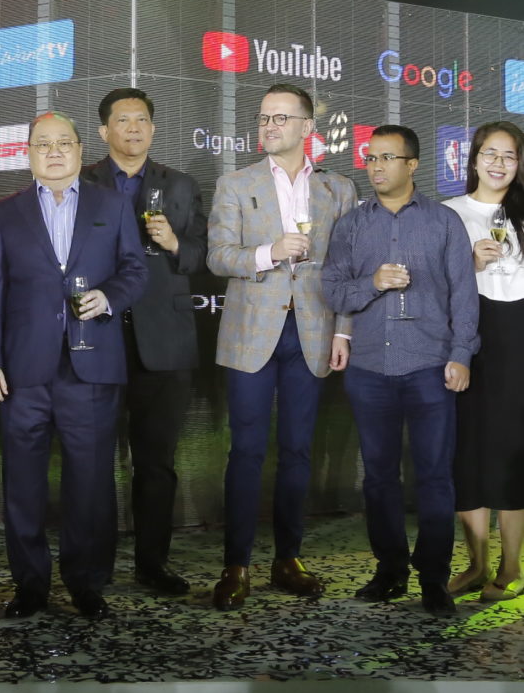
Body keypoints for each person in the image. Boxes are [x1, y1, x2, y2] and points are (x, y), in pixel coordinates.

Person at [0, 111, 147, 622]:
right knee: (22, 484)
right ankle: (30, 585)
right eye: (43, 144)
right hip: (22, 371)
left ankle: (86, 584)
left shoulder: (112, 205)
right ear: (27, 153)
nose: (53, 152)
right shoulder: (3, 214)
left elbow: (136, 271)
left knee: (90, 484)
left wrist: (109, 297)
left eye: (63, 143)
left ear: (79, 150)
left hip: (91, 367)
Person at [207, 83, 357, 610]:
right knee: (246, 450)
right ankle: (237, 564)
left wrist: (343, 331)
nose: (268, 126)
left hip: (313, 333)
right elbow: (218, 256)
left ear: (307, 127)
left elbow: (348, 269)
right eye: (263, 118)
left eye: (280, 118)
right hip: (252, 332)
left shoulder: (338, 189)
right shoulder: (235, 183)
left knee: (297, 450)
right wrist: (269, 251)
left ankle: (288, 559)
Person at [322, 125, 479, 618]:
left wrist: (461, 354)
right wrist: (372, 282)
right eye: (370, 158)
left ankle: (433, 578)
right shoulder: (351, 224)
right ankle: (389, 569)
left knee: (434, 477)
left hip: (431, 365)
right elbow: (332, 289)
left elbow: (464, 294)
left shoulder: (444, 222)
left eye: (387, 158)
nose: (376, 167)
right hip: (369, 367)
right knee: (379, 477)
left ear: (412, 165)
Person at [83, 88, 207, 595]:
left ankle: (153, 564)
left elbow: (204, 255)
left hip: (164, 341)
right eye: (123, 120)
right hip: (97, 337)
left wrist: (175, 243)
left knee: (156, 463)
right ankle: (92, 566)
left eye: (142, 120)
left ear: (153, 129)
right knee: (90, 461)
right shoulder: (82, 181)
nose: (133, 128)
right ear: (103, 131)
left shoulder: (180, 185)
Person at [444, 121, 524, 601]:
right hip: (468, 335)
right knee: (466, 449)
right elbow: (433, 283)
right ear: (473, 160)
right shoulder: (449, 213)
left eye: (509, 155)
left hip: (518, 336)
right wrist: (469, 263)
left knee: (511, 451)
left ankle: (511, 567)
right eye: (490, 153)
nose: (498, 163)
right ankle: (477, 565)